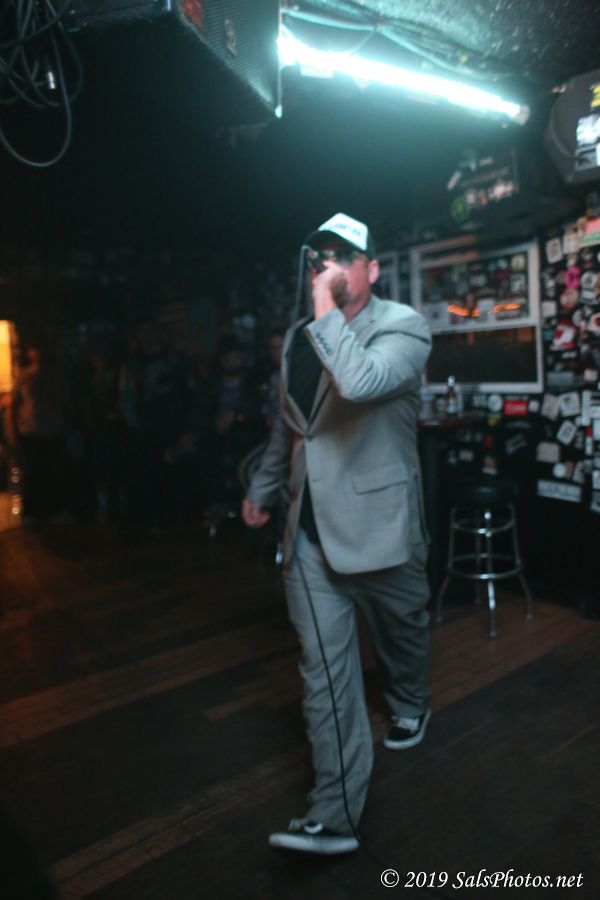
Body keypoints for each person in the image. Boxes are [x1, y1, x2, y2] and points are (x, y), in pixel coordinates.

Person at [242, 213, 432, 855]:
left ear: (371, 270)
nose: (327, 266)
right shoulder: (297, 341)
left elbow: (360, 381)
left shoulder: (404, 327)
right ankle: (335, 813)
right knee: (324, 675)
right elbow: (289, 427)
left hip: (380, 526)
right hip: (309, 536)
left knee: (402, 631)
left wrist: (324, 308)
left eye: (343, 257)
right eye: (319, 257)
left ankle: (410, 699)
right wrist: (263, 487)